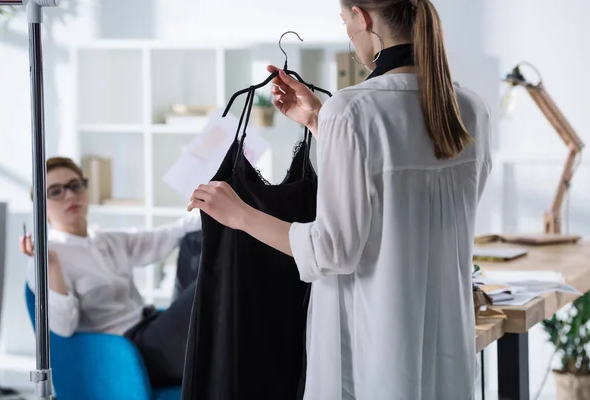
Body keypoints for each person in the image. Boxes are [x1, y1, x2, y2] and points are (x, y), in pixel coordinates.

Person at [187, 0, 492, 399]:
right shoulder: (468, 107)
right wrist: (318, 120)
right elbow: (409, 200)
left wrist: (241, 215)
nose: (349, 33)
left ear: (362, 18)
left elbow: (333, 251)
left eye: (345, 20)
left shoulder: (352, 110)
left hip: (375, 356)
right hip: (445, 352)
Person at [21, 156, 201, 387]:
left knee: (197, 237)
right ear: (40, 206)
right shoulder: (47, 256)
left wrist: (215, 205)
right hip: (131, 352)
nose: (69, 195)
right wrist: (51, 265)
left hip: (155, 325)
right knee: (210, 286)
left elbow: (172, 234)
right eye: (55, 191)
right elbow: (62, 328)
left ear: (85, 190)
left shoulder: (106, 239)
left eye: (75, 186)